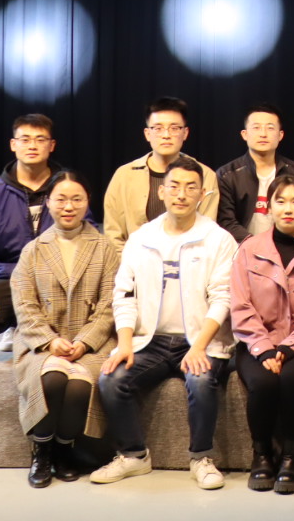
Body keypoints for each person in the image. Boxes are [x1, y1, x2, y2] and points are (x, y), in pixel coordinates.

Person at [93, 158, 237, 490]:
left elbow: (223, 298)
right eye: (174, 186)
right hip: (151, 341)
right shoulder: (141, 238)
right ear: (162, 191)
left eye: (190, 188)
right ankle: (133, 455)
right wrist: (125, 343)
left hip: (200, 340)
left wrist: (199, 346)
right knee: (111, 379)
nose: (181, 194)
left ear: (202, 194)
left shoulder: (218, 239)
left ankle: (201, 458)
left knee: (201, 380)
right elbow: (124, 294)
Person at [228, 173, 294, 495]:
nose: (288, 209)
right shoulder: (249, 249)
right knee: (263, 382)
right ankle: (261, 455)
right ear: (268, 207)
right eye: (281, 201)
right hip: (256, 344)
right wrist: (264, 348)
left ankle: (291, 457)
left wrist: (288, 349)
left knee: (293, 379)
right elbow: (240, 305)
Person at [9, 170, 115, 488]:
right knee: (52, 378)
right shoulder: (33, 250)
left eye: (76, 199)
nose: (69, 206)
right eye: (61, 199)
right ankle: (42, 451)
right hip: (41, 342)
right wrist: (49, 341)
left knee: (81, 385)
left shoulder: (105, 248)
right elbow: (24, 305)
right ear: (48, 202)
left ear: (88, 202)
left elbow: (110, 304)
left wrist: (84, 342)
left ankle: (64, 449)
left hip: (91, 343)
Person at [0, 114, 62, 350]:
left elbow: (88, 236)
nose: (32, 146)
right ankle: (17, 324)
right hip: (10, 275)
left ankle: (34, 328)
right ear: (13, 144)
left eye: (40, 139)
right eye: (25, 139)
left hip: (58, 276)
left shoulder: (66, 186)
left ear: (51, 145)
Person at [103, 97, 219, 252]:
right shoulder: (124, 175)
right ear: (147, 133)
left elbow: (208, 232)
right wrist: (130, 263)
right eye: (158, 128)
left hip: (190, 262)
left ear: (185, 133)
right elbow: (113, 233)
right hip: (134, 263)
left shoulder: (205, 175)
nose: (166, 135)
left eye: (174, 128)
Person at [216, 106, 294, 244]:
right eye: (256, 128)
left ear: (280, 135)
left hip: (287, 245)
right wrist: (255, 245)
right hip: (241, 246)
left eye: (270, 128)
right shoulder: (227, 174)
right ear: (244, 134)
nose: (263, 134)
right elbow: (226, 220)